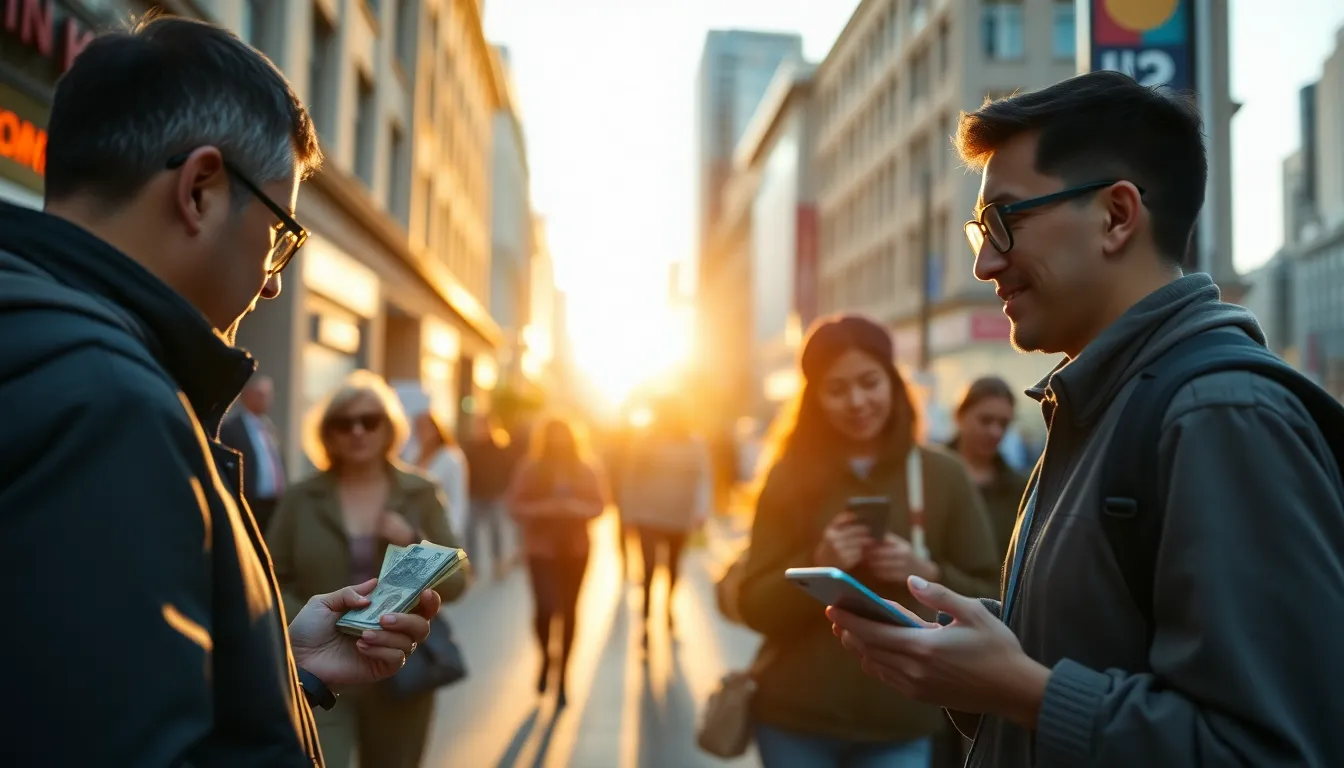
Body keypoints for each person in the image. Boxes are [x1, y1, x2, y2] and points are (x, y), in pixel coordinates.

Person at [828, 70, 1344, 766]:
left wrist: (1022, 690)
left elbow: (1271, 750)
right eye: (981, 231)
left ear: (1116, 216)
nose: (985, 264)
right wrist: (978, 669)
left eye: (1005, 221)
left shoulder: (1221, 416)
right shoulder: (1097, 403)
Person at [0, 17, 439, 765]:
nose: (272, 285)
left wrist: (283, 668)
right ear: (200, 190)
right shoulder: (114, 410)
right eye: (280, 235)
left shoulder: (45, 346)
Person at [735, 314, 1000, 767]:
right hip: (794, 716)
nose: (856, 401)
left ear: (893, 383)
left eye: (869, 382)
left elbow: (992, 596)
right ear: (815, 399)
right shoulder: (788, 476)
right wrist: (818, 561)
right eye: (836, 389)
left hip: (901, 720)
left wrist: (926, 572)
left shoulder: (944, 474)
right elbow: (752, 605)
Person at [268, 370, 468, 768]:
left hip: (399, 665)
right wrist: (311, 616)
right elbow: (266, 580)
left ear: (389, 428)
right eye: (344, 423)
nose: (357, 431)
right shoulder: (301, 497)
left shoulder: (420, 491)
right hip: (320, 664)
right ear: (328, 434)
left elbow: (459, 581)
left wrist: (412, 537)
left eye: (369, 421)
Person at [506, 417, 608, 709]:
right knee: (544, 609)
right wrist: (547, 508)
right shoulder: (530, 468)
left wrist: (574, 508)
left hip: (575, 549)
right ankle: (546, 657)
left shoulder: (586, 468)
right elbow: (514, 505)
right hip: (541, 549)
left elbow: (600, 505)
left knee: (569, 610)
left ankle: (564, 675)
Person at [617, 399, 712, 647]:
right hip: (648, 514)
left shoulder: (694, 443)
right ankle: (646, 619)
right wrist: (628, 513)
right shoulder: (645, 441)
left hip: (679, 514)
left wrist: (701, 510)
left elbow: (703, 477)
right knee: (648, 568)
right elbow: (630, 477)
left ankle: (668, 607)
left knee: (673, 566)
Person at [947, 376, 1030, 556]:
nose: (995, 432)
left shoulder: (1019, 489)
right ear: (959, 416)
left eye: (1003, 424)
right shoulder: (928, 473)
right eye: (985, 420)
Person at [220, 372, 288, 532]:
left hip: (274, 504)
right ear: (247, 394)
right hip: (249, 504)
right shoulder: (231, 429)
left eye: (269, 395)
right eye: (261, 394)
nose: (266, 400)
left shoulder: (269, 428)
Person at [409, 409, 470, 538]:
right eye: (417, 427)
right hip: (415, 529)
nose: (420, 432)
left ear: (435, 429)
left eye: (424, 427)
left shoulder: (451, 458)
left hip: (441, 527)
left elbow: (457, 498)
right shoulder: (412, 455)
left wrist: (451, 532)